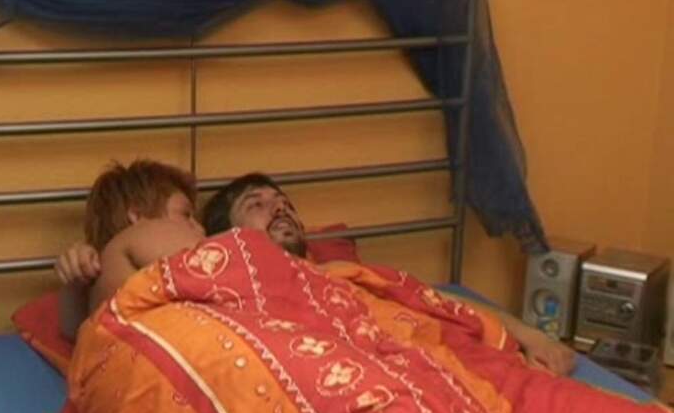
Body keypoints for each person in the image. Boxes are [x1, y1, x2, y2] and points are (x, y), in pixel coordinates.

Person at [200, 172, 577, 375]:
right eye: (257, 205)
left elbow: (437, 301)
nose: (280, 209)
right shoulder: (226, 298)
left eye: (285, 204)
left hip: (448, 372)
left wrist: (534, 337)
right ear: (224, 237)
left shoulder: (344, 274)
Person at [56, 160, 203, 338]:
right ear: (138, 216)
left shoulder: (105, 278)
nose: (200, 229)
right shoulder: (136, 237)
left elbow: (72, 332)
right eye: (185, 215)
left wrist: (74, 285)